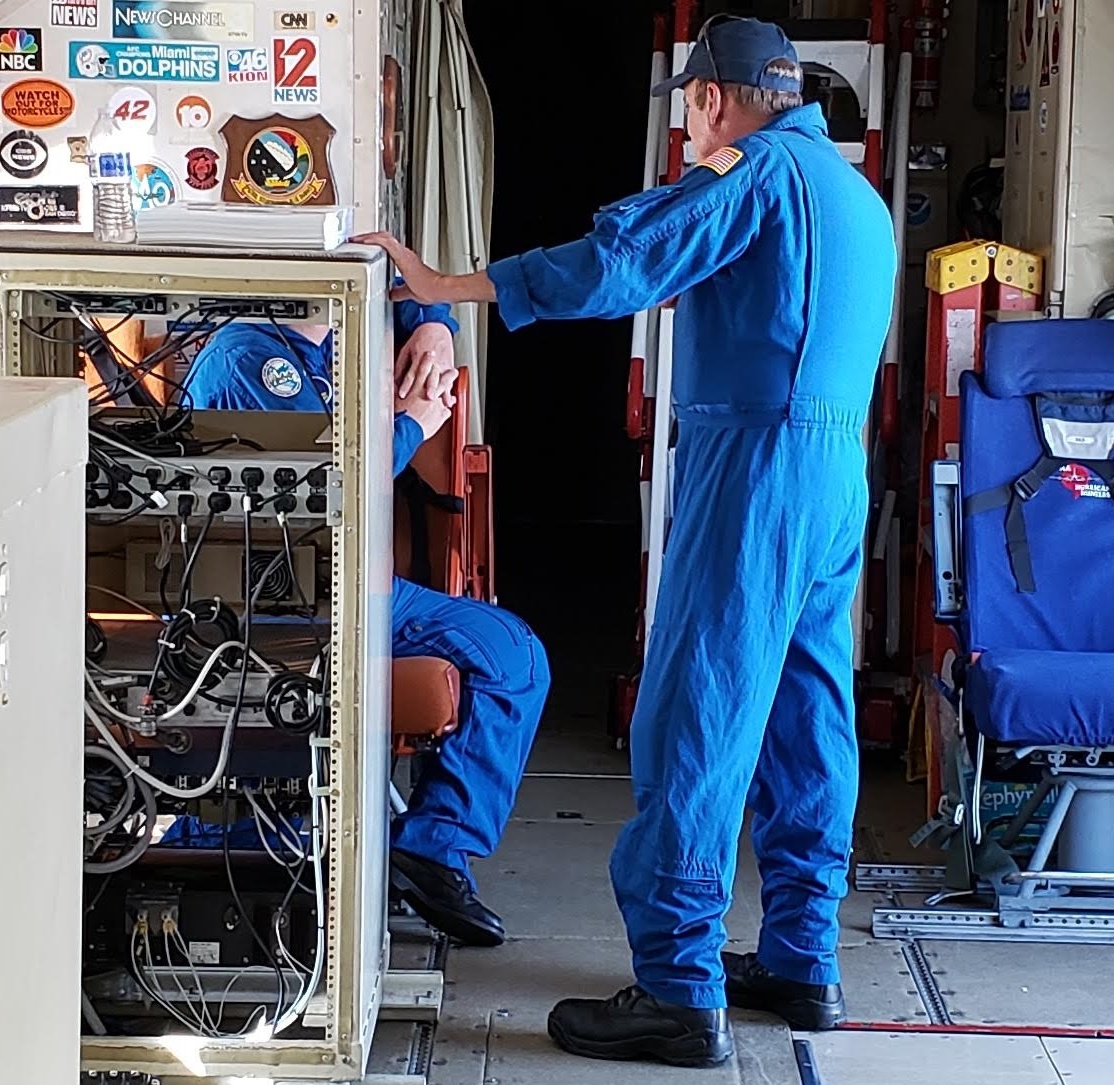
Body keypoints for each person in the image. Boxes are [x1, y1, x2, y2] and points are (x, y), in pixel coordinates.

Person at [354, 15, 896, 1069]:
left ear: (710, 99)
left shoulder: (754, 172)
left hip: (755, 469)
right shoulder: (855, 194)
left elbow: (632, 253)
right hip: (835, 472)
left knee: (694, 711)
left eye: (689, 109)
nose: (689, 129)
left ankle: (677, 988)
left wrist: (449, 286)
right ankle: (802, 958)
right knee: (806, 711)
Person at [179, 296, 552, 951]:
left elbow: (408, 277)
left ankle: (432, 851)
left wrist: (436, 324)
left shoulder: (340, 329)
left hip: (366, 587)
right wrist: (412, 422)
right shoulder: (248, 358)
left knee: (512, 655)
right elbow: (327, 491)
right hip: (276, 602)